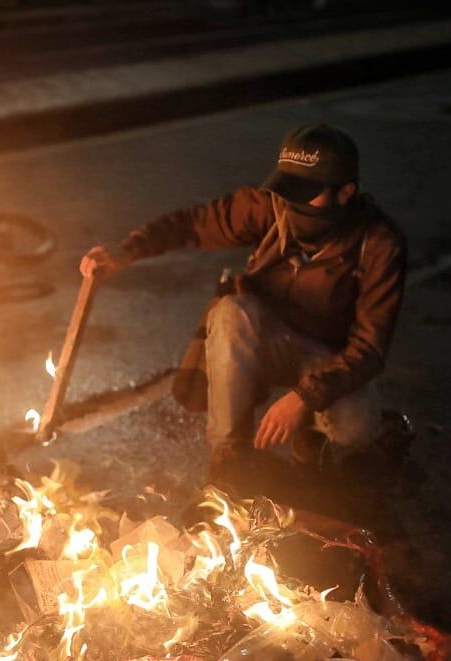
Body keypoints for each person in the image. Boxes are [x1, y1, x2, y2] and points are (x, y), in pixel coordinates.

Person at [80, 124, 407, 489]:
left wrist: (305, 398)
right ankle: (230, 455)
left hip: (324, 356)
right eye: (288, 189)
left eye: (307, 193)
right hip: (260, 337)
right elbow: (194, 224)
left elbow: (371, 348)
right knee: (231, 312)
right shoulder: (270, 206)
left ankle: (312, 435)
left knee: (356, 425)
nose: (291, 203)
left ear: (346, 193)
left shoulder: (379, 243)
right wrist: (128, 250)